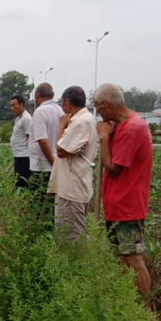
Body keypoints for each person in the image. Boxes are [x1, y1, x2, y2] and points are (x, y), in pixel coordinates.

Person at [95, 83, 153, 308]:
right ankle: (129, 306)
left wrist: (103, 138)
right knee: (122, 257)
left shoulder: (132, 129)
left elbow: (112, 167)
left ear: (105, 105)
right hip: (117, 205)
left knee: (132, 258)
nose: (98, 114)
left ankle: (145, 313)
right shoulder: (124, 126)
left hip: (127, 206)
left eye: (98, 108)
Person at [48, 86, 97, 241]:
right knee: (76, 233)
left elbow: (61, 151)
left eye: (63, 104)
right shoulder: (84, 120)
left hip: (71, 189)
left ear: (67, 102)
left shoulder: (81, 122)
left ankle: (75, 265)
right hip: (74, 185)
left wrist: (62, 126)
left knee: (70, 237)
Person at [28, 83, 64, 212]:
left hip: (42, 167)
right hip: (56, 164)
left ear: (37, 96)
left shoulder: (40, 112)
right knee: (52, 206)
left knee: (39, 204)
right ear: (52, 95)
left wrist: (53, 165)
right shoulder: (61, 111)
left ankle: (40, 230)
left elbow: (43, 141)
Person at [9, 95, 33, 188]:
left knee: (22, 181)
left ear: (22, 104)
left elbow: (30, 137)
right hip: (18, 154)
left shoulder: (27, 118)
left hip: (24, 155)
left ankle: (22, 200)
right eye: (11, 106)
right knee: (18, 179)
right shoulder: (18, 119)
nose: (12, 108)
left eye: (14, 105)